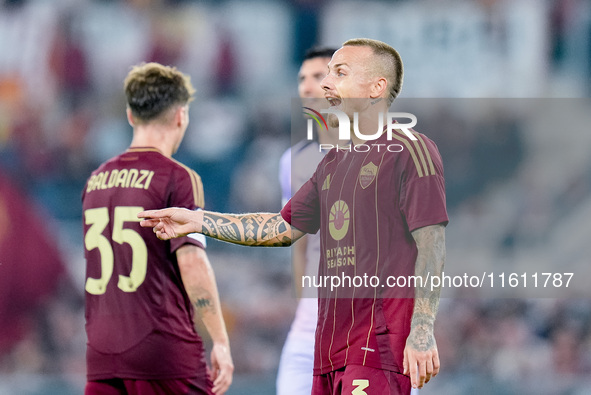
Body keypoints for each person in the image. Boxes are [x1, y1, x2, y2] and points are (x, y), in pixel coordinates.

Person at [139, 38, 447, 394]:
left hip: (376, 347)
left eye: (340, 73)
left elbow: (432, 243)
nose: (326, 84)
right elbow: (280, 228)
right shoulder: (333, 162)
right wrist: (197, 220)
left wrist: (422, 332)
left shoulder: (410, 149)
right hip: (328, 350)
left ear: (376, 87)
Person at [82, 62, 233, 395]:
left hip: (102, 353)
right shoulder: (177, 177)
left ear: (131, 116)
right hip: (162, 350)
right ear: (181, 115)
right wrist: (220, 340)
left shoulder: (95, 181)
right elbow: (191, 261)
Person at [276, 46, 338, 395]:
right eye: (302, 79)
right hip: (311, 324)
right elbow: (296, 241)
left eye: (318, 77)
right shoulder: (293, 161)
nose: (307, 87)